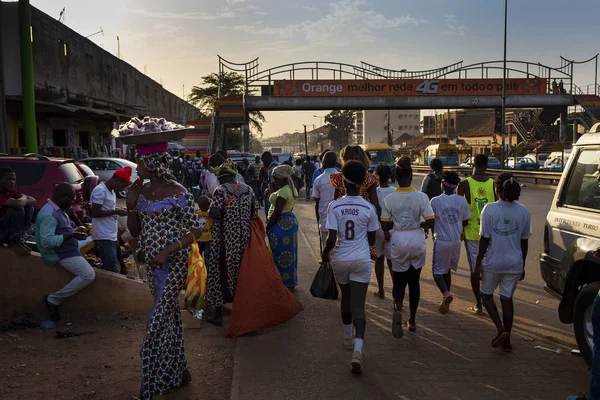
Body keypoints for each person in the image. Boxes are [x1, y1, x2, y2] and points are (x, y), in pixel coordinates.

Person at [126, 142, 206, 399]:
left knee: (156, 324)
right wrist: (130, 204)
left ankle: (150, 387)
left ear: (155, 164)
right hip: (152, 264)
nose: (137, 167)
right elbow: (136, 231)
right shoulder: (142, 191)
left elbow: (197, 229)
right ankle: (180, 373)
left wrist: (167, 250)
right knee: (169, 319)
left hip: (173, 265)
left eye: (140, 162)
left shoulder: (178, 191)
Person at [322, 160, 379, 374]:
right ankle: (358, 349)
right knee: (359, 306)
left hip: (340, 259)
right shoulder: (369, 207)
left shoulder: (334, 206)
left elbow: (332, 238)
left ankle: (347, 337)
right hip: (361, 260)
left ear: (342, 181)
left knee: (345, 299)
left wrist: (324, 253)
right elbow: (372, 238)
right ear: (363, 181)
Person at [475, 173, 530, 353]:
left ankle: (500, 329)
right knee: (507, 299)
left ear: (497, 189)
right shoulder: (524, 211)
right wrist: (523, 265)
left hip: (494, 261)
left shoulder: (489, 210)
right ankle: (507, 342)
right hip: (514, 262)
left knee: (486, 295)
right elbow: (524, 242)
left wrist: (477, 265)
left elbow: (484, 240)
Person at [381, 157, 434, 337]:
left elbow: (385, 225)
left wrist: (396, 225)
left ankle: (397, 307)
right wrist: (421, 226)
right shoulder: (421, 197)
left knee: (399, 280)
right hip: (416, 240)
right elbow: (431, 220)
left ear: (396, 177)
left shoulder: (389, 199)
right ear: (411, 176)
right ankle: (412, 320)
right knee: (414, 282)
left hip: (398, 240)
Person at [205, 163, 259, 326]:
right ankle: (243, 314)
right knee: (242, 274)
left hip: (224, 242)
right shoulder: (248, 189)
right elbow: (254, 213)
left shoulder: (220, 191)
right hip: (244, 241)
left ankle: (218, 316)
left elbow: (214, 213)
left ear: (221, 179)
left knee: (219, 273)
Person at [36, 183, 95, 321]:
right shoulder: (49, 214)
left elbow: (64, 230)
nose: (73, 202)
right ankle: (53, 299)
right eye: (72, 199)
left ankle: (54, 300)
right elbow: (46, 242)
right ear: (64, 197)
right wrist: (71, 235)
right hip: (58, 253)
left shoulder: (58, 210)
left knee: (94, 242)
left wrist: (75, 231)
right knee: (88, 275)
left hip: (67, 249)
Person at [457, 153, 496, 314]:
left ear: (472, 164)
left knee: (475, 268)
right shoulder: (493, 184)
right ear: (486, 165)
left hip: (472, 232)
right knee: (488, 267)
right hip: (491, 233)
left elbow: (459, 208)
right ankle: (488, 298)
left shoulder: (465, 184)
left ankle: (479, 304)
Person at [430, 171, 470, 314]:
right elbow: (465, 220)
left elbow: (430, 220)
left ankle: (446, 294)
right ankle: (445, 300)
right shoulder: (462, 200)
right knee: (446, 270)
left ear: (443, 183)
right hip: (456, 241)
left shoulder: (435, 201)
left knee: (436, 272)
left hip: (441, 240)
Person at [90, 166, 131, 273]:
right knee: (111, 270)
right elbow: (94, 213)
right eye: (122, 186)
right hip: (103, 235)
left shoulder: (111, 192)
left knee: (112, 266)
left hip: (110, 233)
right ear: (115, 180)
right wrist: (116, 211)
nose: (122, 190)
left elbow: (106, 209)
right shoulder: (100, 191)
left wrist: (117, 209)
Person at [266, 165, 299, 288]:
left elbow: (276, 212)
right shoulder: (288, 188)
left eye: (275, 179)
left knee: (279, 253)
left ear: (282, 178)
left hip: (281, 225)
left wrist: (267, 227)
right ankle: (289, 280)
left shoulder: (283, 192)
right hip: (289, 223)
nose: (273, 181)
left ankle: (281, 281)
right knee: (289, 253)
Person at [330, 146, 380, 211]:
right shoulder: (370, 179)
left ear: (344, 158)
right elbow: (375, 204)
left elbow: (335, 202)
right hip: (364, 214)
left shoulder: (338, 178)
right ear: (363, 157)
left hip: (343, 214)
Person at [0, 167, 36, 256]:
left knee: (29, 207)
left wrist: (22, 199)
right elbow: (18, 204)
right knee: (18, 209)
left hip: (6, 232)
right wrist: (23, 198)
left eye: (14, 179)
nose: (12, 182)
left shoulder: (10, 192)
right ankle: (14, 242)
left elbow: (33, 200)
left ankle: (19, 239)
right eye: (8, 179)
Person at [373, 165, 396, 299]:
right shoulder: (395, 191)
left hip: (378, 229)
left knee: (379, 260)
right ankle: (395, 292)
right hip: (392, 229)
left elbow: (375, 210)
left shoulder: (374, 192)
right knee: (392, 262)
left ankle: (381, 290)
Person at [312, 151, 338, 245]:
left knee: (326, 249)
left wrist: (318, 222)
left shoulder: (318, 180)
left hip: (324, 219)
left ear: (323, 163)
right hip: (340, 219)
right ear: (336, 163)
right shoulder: (342, 178)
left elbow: (317, 204)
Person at [195, 195, 213, 267]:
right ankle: (207, 271)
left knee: (198, 255)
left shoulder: (197, 213)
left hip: (199, 238)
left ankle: (199, 268)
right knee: (207, 257)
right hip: (207, 239)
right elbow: (212, 224)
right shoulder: (210, 214)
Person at [261, 151, 279, 216]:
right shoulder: (277, 166)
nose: (263, 164)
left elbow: (275, 184)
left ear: (267, 159)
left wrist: (269, 190)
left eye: (263, 161)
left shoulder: (272, 169)